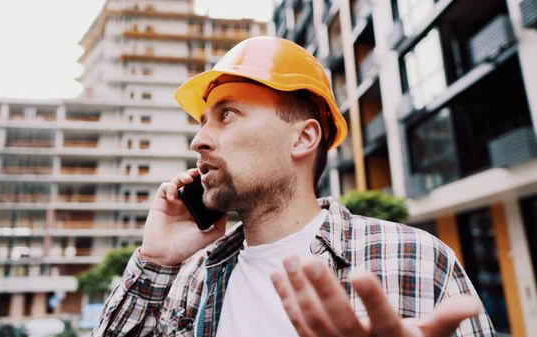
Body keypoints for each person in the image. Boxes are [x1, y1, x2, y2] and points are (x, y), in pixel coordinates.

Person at [91, 36, 495, 337]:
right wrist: (157, 261)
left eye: (227, 114)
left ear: (303, 139)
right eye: (202, 122)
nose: (198, 141)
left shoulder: (416, 258)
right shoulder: (192, 278)